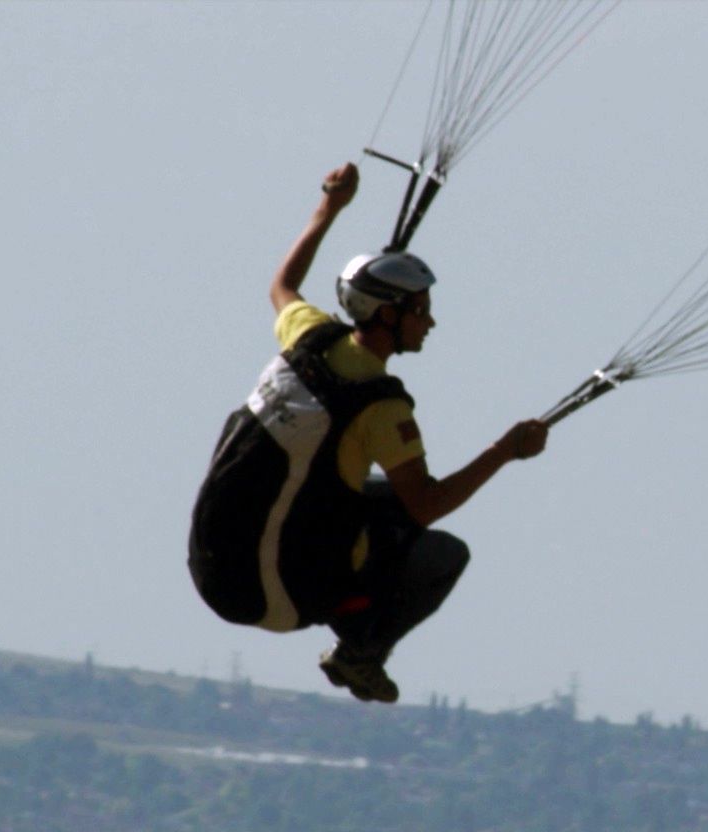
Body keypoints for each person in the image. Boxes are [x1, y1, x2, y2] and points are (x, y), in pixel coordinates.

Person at [188, 161, 547, 703]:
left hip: (213, 565)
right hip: (273, 594)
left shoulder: (309, 335)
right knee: (441, 553)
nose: (429, 322)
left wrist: (327, 208)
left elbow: (282, 285)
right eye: (419, 310)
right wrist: (505, 451)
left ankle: (351, 621)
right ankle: (360, 648)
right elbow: (426, 504)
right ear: (385, 317)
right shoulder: (383, 410)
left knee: (372, 500)